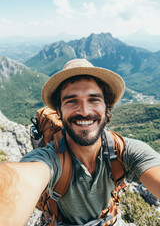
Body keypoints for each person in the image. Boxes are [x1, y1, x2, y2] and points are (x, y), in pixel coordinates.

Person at [0, 58, 160, 226]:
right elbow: (18, 182)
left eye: (94, 99)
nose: (84, 111)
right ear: (59, 112)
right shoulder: (50, 159)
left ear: (107, 108)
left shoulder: (125, 150)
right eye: (71, 101)